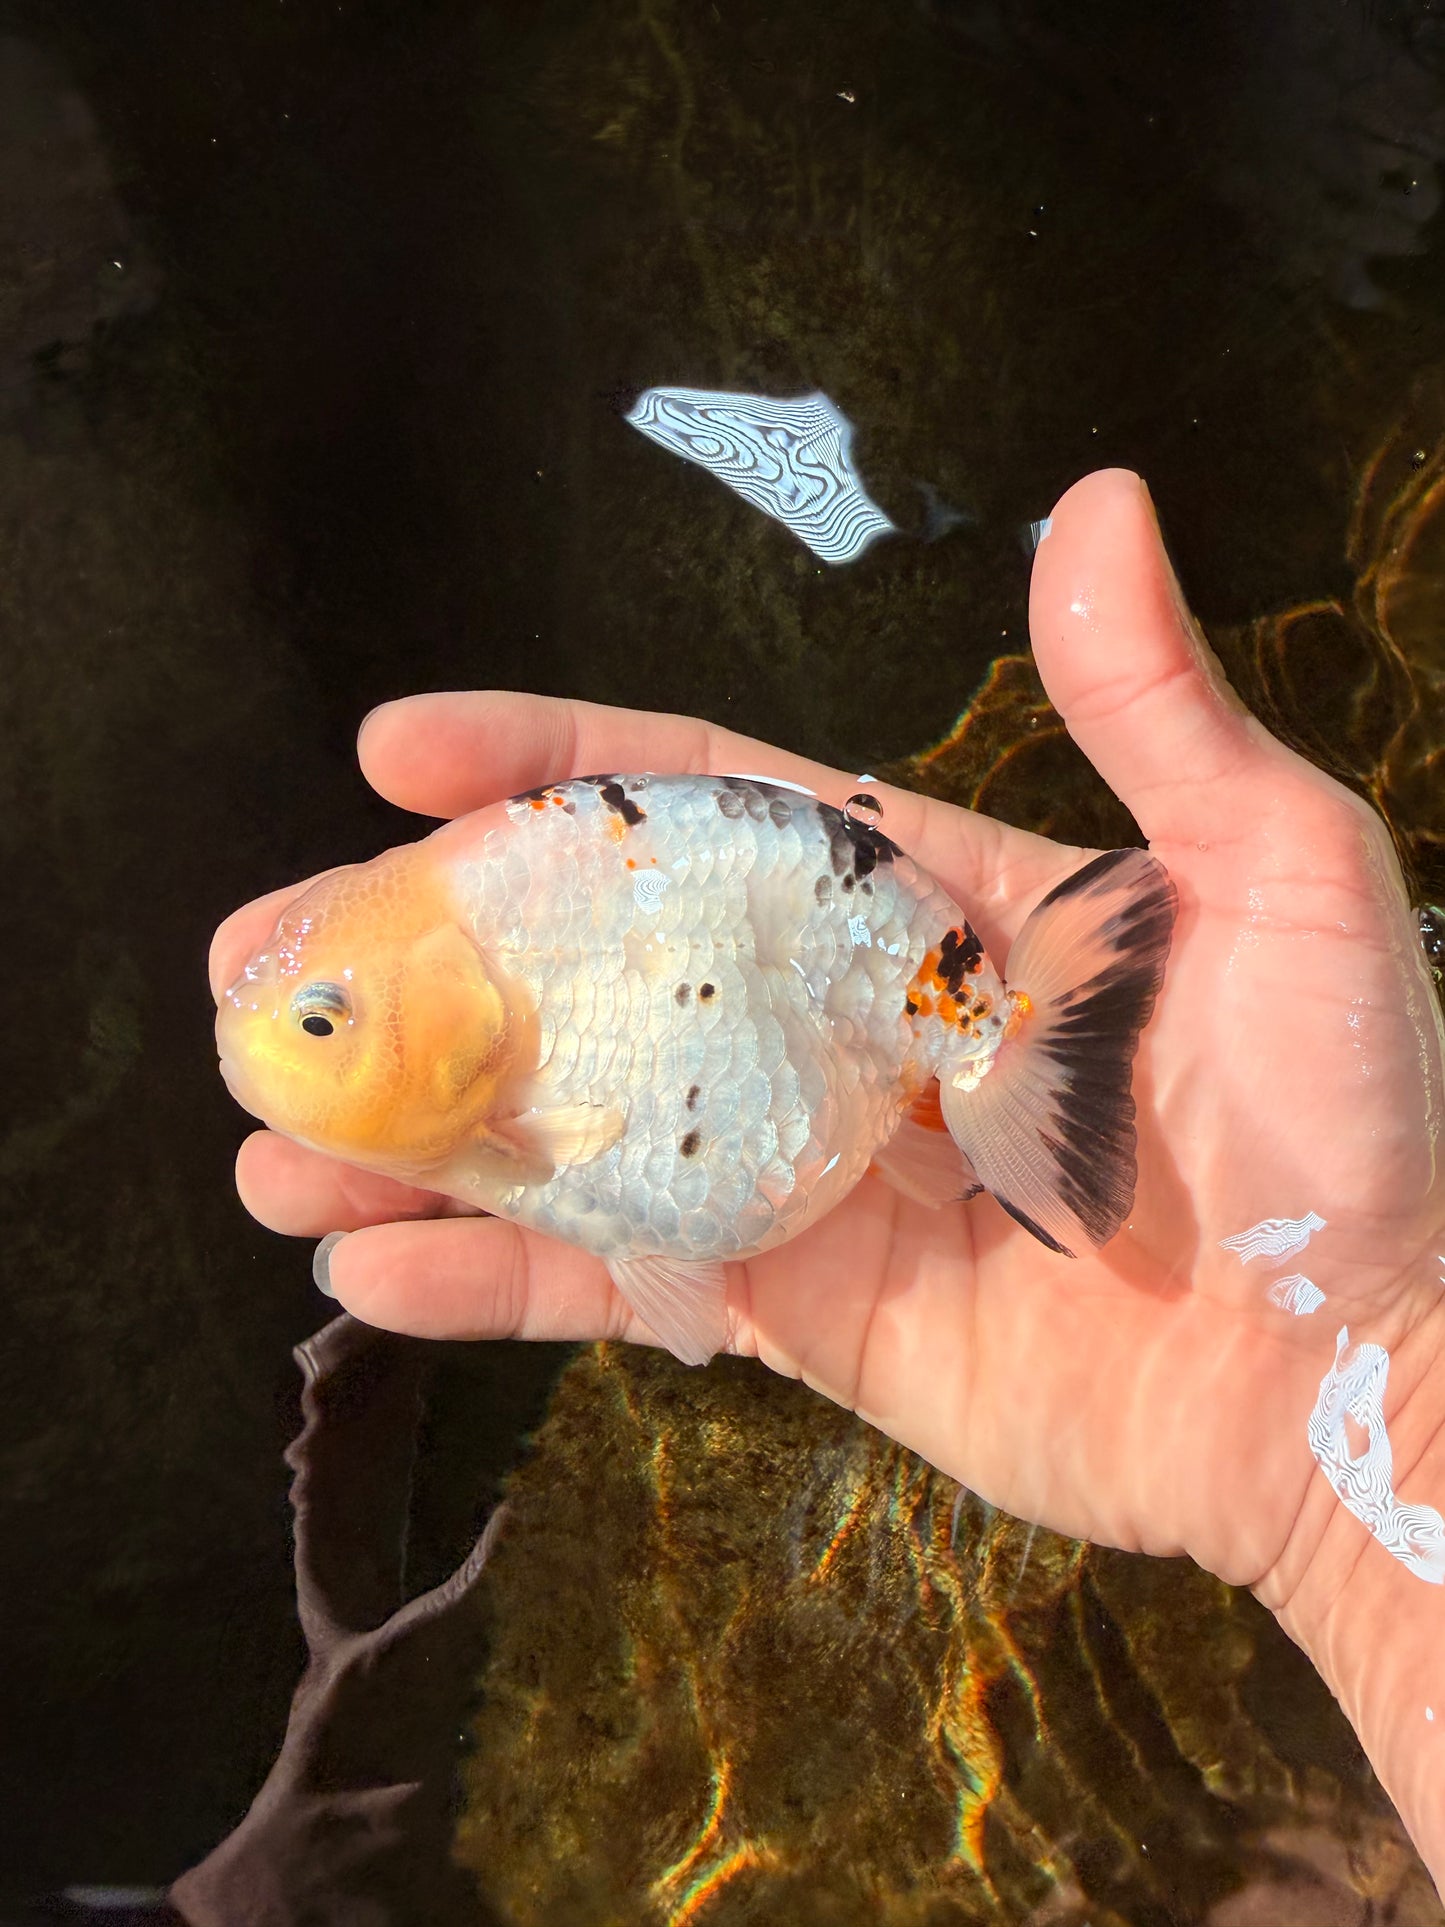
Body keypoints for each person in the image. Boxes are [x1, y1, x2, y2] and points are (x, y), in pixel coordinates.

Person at [211, 467, 1445, 1895]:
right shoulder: (488, 995)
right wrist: (1383, 1414)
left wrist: (1376, 1380)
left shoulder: (508, 1003)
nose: (286, 1050)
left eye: (321, 1025)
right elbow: (662, 1259)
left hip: (858, 1045)